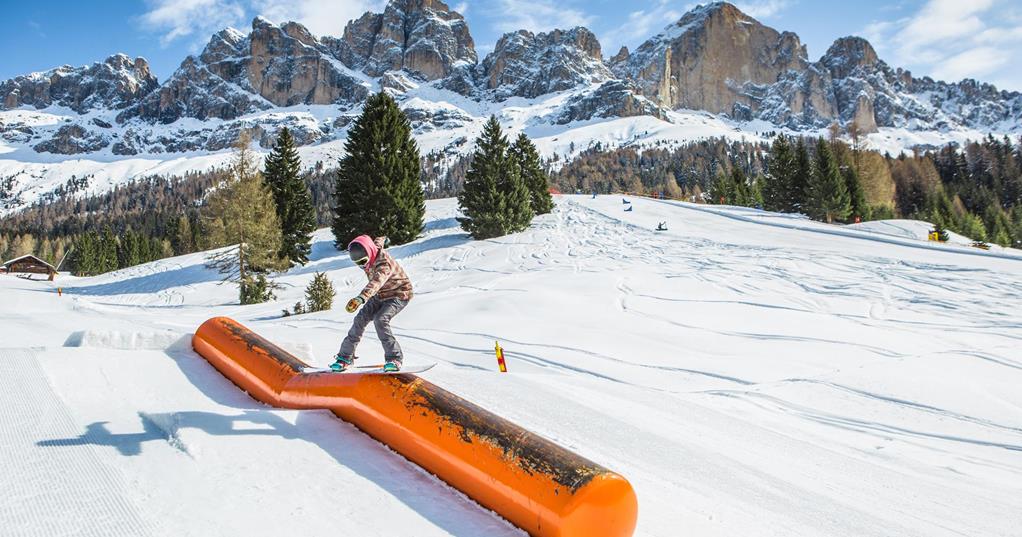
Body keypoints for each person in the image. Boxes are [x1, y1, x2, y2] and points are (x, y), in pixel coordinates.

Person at [331, 234, 413, 372]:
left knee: (380, 320)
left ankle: (394, 358)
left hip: (399, 293)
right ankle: (345, 357)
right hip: (380, 295)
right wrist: (384, 237)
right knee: (360, 319)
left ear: (370, 253)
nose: (362, 266)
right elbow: (378, 242)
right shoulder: (373, 249)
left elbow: (376, 282)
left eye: (363, 261)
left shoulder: (383, 265)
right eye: (357, 263)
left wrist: (361, 298)